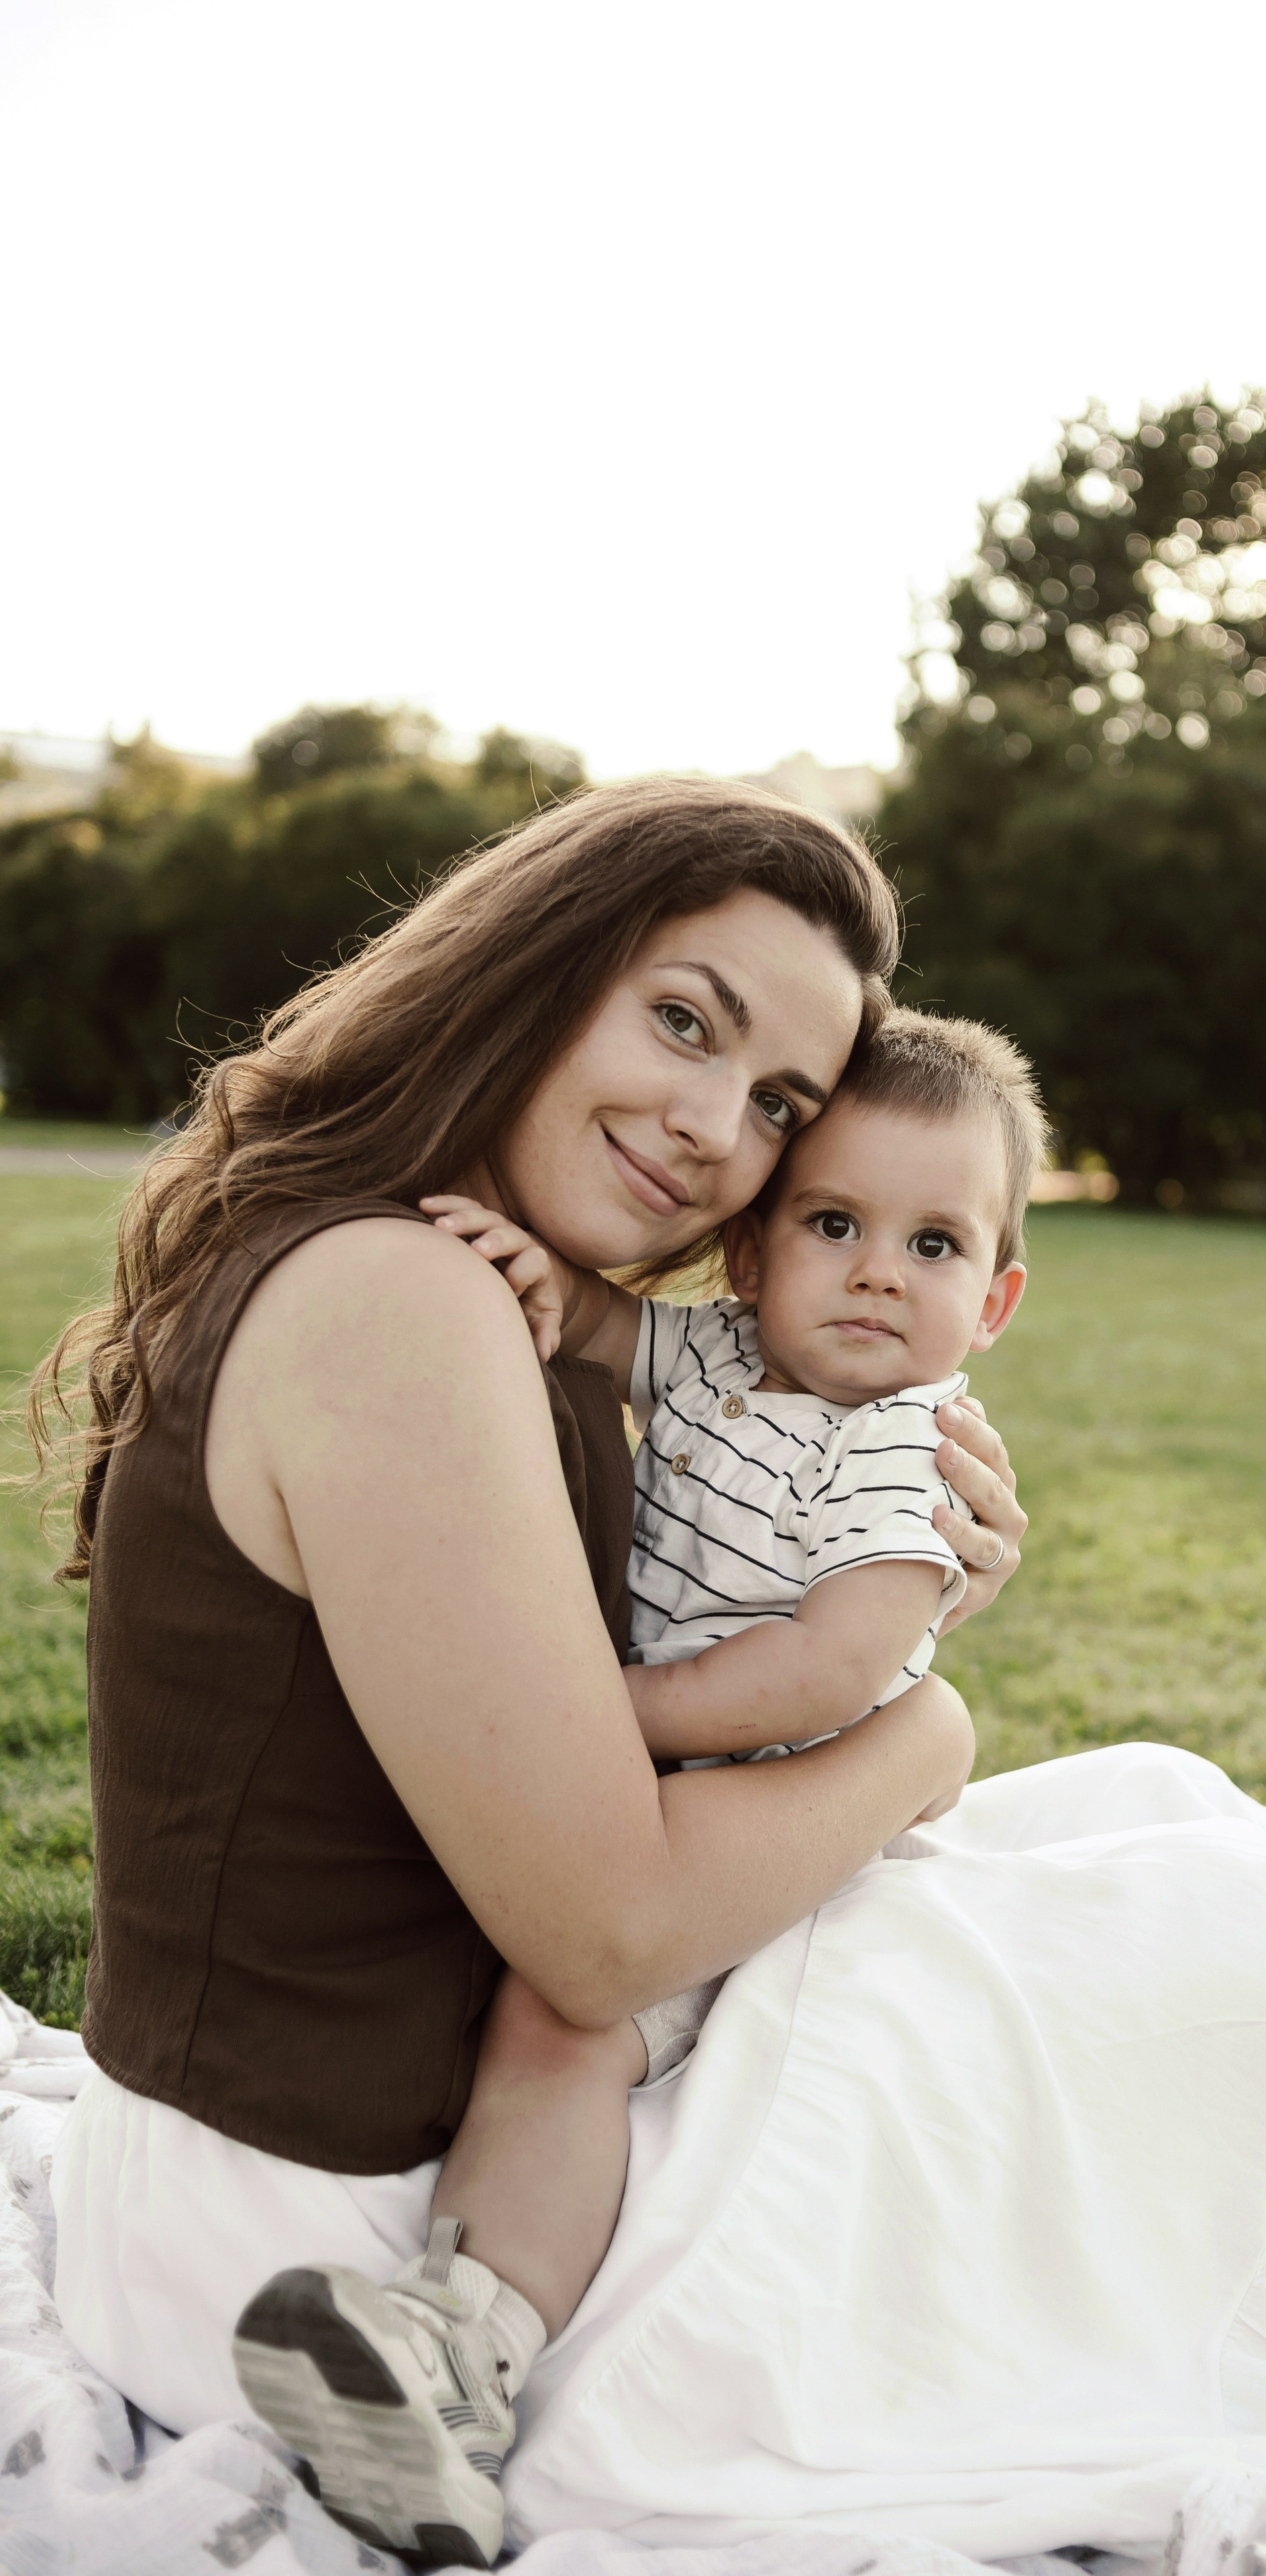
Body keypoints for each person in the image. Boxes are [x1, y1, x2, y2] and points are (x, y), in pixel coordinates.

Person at [39, 780, 1027, 2561]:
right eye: (681, 1021)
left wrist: (888, 1565)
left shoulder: (479, 1276)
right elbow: (605, 1936)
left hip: (366, 2156)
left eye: (779, 1103)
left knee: (1158, 1871)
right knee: (1159, 1946)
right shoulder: (400, 1304)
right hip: (344, 2251)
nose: (717, 1126)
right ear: (537, 965)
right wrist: (933, 1723)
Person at [230, 1010, 1043, 2562]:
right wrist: (538, 1283)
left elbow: (829, 1664)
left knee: (564, 2023)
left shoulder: (900, 1445)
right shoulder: (722, 1354)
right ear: (750, 1257)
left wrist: (603, 1712)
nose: (878, 1270)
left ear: (991, 1299)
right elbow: (609, 1333)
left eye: (933, 1243)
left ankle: (461, 2352)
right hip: (668, 1780)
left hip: (758, 1802)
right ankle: (439, 2338)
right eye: (832, 1223)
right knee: (537, 2007)